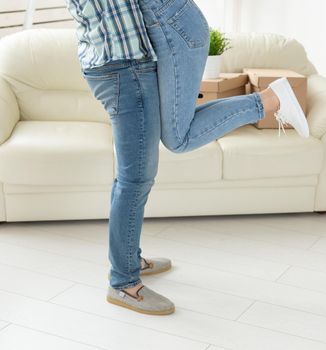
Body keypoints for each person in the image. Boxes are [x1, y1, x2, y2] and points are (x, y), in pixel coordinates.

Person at [65, 0, 309, 315]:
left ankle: (128, 262)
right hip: (122, 67)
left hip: (121, 62)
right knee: (136, 176)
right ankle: (124, 282)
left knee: (153, 160)